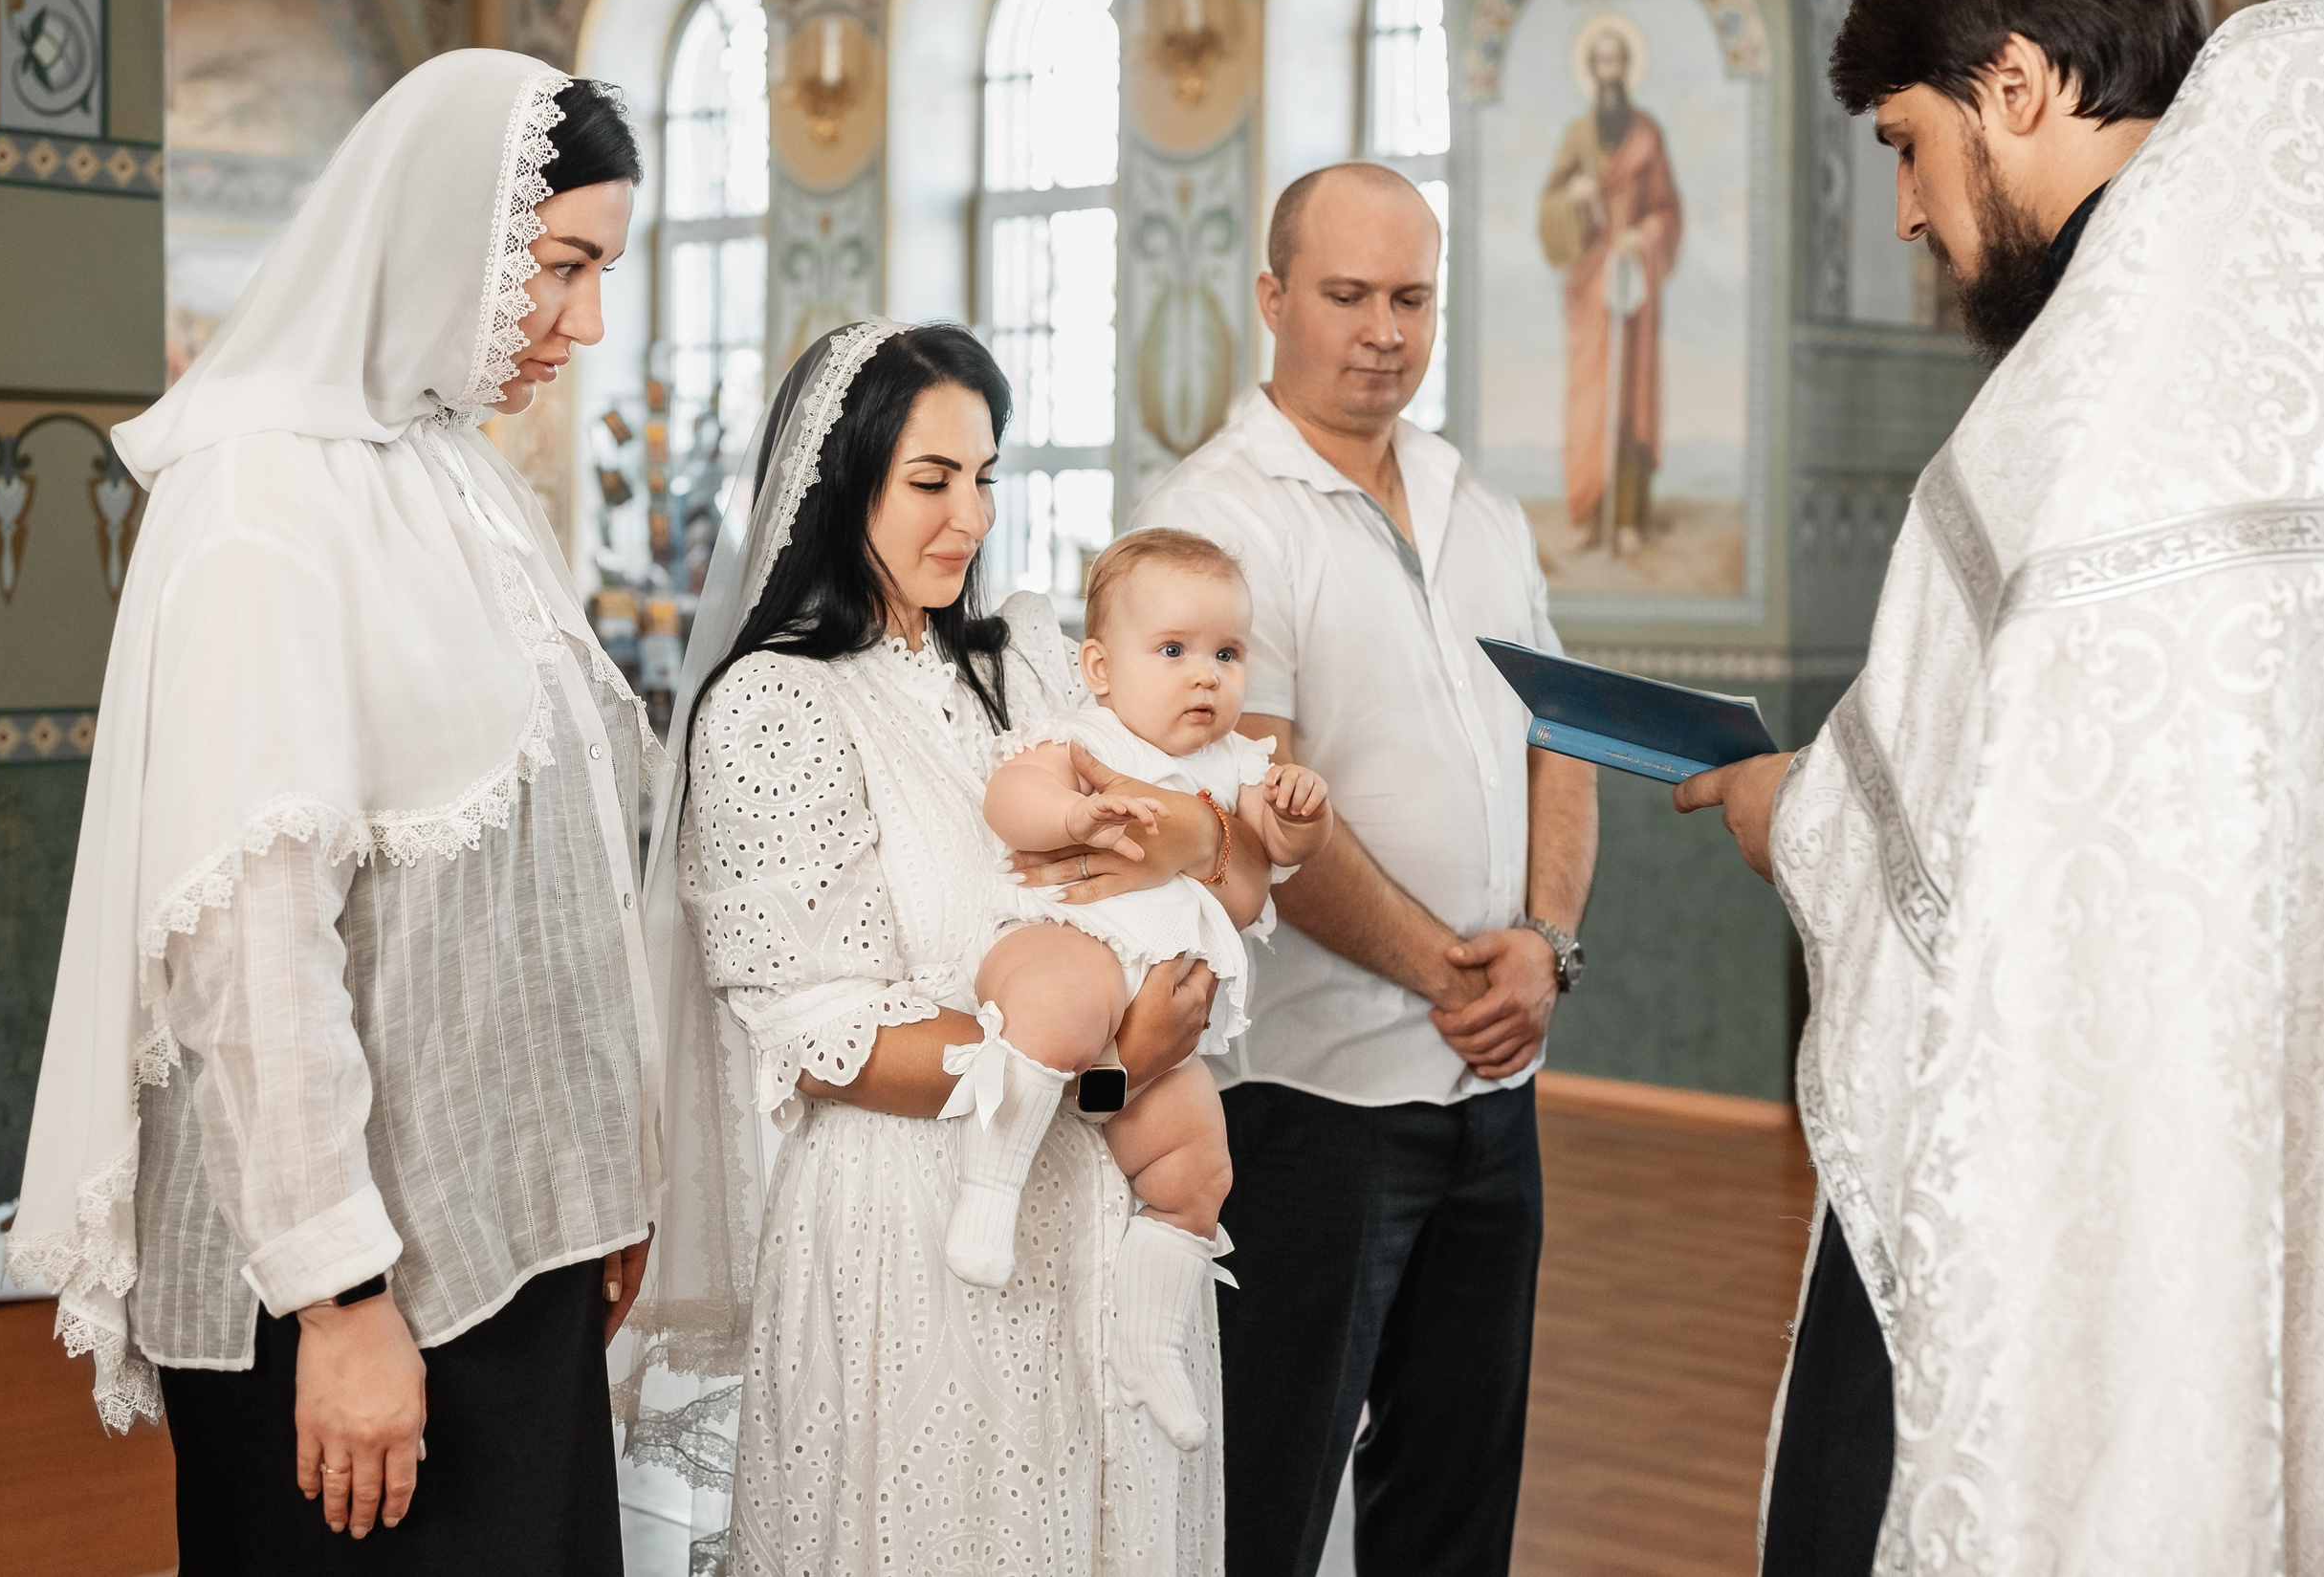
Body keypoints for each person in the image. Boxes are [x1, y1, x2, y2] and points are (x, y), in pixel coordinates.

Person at [1673, 0, 2324, 1571]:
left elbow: (1927, 861)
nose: (1910, 214)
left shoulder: (2071, 417)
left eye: (1909, 146)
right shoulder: (2315, 373)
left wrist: (1793, 814)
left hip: (2078, 1183)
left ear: (2020, 84)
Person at [5, 52, 661, 1573]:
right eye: (561, 267)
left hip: (512, 1247)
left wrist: (603, 1169)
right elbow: (252, 936)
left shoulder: (459, 479)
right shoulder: (260, 502)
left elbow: (554, 875)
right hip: (364, 1298)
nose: (590, 322)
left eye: (605, 271)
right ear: (445, 236)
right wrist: (340, 1298)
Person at [624, 321, 1276, 1574]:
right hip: (910, 1232)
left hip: (1097, 1212)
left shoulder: (1028, 660)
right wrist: (1116, 1067)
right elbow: (829, 1038)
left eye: (986, 477)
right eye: (931, 481)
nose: (968, 516)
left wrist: (1189, 842)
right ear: (838, 482)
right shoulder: (775, 708)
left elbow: (1213, 819)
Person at [1134, 162, 1601, 1577]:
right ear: (1273, 298)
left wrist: (1541, 943)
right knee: (1266, 1495)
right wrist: (1447, 974)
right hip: (1312, 1097)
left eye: (1412, 297)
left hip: (1492, 1092)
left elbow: (1559, 742)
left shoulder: (1476, 501)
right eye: (1347, 296)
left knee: (1458, 1501)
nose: (1384, 330)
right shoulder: (1219, 517)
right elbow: (1250, 811)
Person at [953, 526, 1336, 1450]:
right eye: (1173, 651)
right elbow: (1012, 798)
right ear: (1099, 666)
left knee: (1200, 1169)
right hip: (1070, 941)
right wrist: (1072, 811)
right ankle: (990, 1188)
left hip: (1164, 1020)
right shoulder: (1082, 738)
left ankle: (1148, 1341)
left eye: (1227, 654)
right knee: (1061, 1012)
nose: (1206, 676)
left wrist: (1303, 818)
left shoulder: (1242, 764)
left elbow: (1271, 858)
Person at [1539, 15, 1681, 553]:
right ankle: (1589, 515)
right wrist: (1571, 201)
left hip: (1632, 283)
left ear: (1627, 68)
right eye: (1600, 62)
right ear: (1591, 70)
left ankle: (1625, 520)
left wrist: (1642, 235)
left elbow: (1666, 209)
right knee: (1591, 398)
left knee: (1631, 399)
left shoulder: (1647, 134)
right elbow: (1549, 208)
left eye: (1617, 61)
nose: (1609, 71)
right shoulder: (1577, 135)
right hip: (1589, 281)